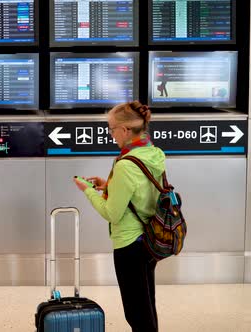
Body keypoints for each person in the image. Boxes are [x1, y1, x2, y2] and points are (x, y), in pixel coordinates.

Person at [73, 101, 165, 332]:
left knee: (136, 312)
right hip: (150, 238)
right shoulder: (153, 153)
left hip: (129, 244)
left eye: (112, 128)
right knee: (147, 304)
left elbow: (112, 213)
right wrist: (108, 187)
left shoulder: (126, 165)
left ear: (125, 130)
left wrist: (88, 192)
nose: (111, 133)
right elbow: (142, 192)